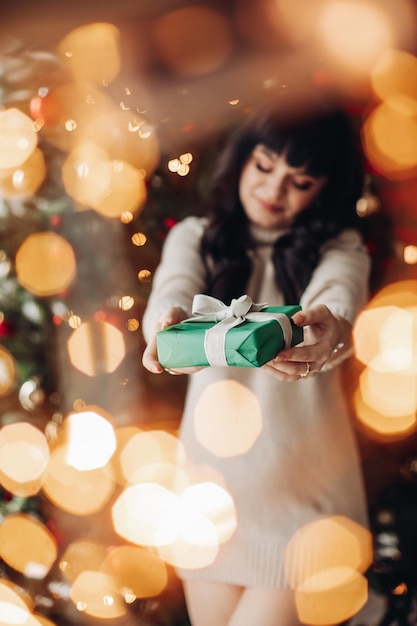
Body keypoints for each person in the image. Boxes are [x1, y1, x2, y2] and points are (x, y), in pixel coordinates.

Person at [141, 90, 371, 626]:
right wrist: (166, 329)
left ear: (327, 188)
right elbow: (169, 297)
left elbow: (339, 303)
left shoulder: (340, 247)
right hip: (209, 502)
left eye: (301, 181)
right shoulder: (197, 238)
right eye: (264, 166)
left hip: (307, 509)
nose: (273, 190)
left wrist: (330, 332)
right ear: (243, 158)